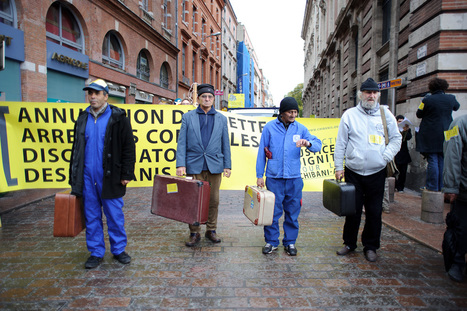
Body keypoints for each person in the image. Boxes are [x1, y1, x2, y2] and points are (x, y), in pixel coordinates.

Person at [69, 79, 136, 269]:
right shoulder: (83, 118)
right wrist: (75, 176)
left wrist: (126, 173)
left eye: (97, 93)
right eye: (90, 93)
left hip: (111, 176)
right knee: (91, 216)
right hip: (87, 177)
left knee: (114, 215)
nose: (92, 97)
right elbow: (76, 150)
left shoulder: (118, 117)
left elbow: (128, 148)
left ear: (106, 96)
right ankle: (96, 252)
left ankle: (118, 250)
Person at [334, 78, 401, 262]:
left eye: (374, 93)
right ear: (360, 95)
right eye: (367, 92)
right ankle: (349, 243)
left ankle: (371, 246)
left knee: (374, 211)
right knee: (352, 210)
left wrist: (384, 157)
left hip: (376, 172)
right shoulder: (349, 115)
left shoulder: (386, 115)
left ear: (378, 95)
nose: (371, 96)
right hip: (353, 171)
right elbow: (341, 143)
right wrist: (338, 167)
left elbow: (396, 139)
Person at [256, 97, 322, 256]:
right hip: (274, 177)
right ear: (282, 113)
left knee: (293, 212)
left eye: (295, 112)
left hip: (294, 178)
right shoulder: (270, 128)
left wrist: (308, 143)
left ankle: (290, 242)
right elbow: (261, 153)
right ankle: (271, 242)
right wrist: (260, 175)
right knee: (272, 212)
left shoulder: (300, 128)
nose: (293, 115)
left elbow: (317, 144)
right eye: (290, 112)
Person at [176, 83, 232, 247]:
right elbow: (182, 143)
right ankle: (194, 233)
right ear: (199, 98)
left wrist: (227, 165)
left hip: (215, 164)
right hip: (194, 164)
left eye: (210, 97)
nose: (207, 99)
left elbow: (225, 144)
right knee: (194, 200)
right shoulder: (188, 117)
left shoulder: (221, 118)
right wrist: (181, 164)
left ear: (214, 99)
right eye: (204, 97)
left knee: (213, 200)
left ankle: (211, 230)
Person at [416, 78, 460, 191]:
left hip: (430, 133)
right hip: (446, 133)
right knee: (441, 159)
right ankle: (441, 186)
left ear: (431, 87)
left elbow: (419, 114)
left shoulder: (427, 100)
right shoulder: (451, 98)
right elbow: (457, 107)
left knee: (432, 159)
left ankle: (432, 186)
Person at [443, 114, 467, 282]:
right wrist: (451, 186)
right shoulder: (459, 123)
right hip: (464, 190)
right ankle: (457, 262)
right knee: (462, 228)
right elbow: (452, 155)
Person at [395, 115, 412, 192]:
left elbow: (408, 137)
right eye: (399, 121)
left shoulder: (406, 129)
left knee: (403, 172)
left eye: (402, 121)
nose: (400, 123)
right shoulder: (394, 128)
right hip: (395, 153)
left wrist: (406, 131)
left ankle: (400, 187)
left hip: (404, 153)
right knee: (394, 171)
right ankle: (395, 185)